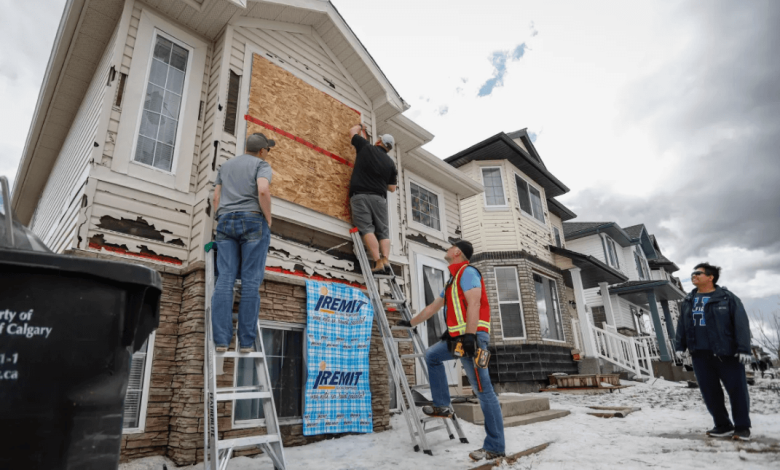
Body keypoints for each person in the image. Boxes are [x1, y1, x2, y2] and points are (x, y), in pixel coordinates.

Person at [399, 238, 505, 461]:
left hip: (472, 340)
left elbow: (475, 304)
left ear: (457, 252)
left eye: (450, 246)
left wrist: (470, 336)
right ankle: (442, 405)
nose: (447, 249)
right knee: (432, 355)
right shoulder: (452, 280)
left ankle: (495, 446)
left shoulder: (468, 272)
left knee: (484, 392)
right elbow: (432, 308)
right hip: (457, 340)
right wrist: (410, 323)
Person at [211, 133, 275, 353]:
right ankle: (246, 343)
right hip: (252, 220)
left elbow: (216, 199)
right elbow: (263, 190)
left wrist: (222, 217)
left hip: (225, 221)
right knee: (250, 281)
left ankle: (221, 340)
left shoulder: (226, 166)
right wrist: (267, 218)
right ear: (263, 151)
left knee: (225, 279)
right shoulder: (261, 165)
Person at [675, 262, 753, 441]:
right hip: (700, 355)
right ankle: (723, 425)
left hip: (727, 354)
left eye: (698, 273)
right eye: (693, 273)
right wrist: (680, 346)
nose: (694, 275)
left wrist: (743, 348)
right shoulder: (688, 300)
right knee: (710, 393)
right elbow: (682, 325)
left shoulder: (727, 298)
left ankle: (742, 428)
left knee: (737, 391)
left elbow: (741, 324)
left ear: (711, 277)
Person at [347, 123, 397, 273]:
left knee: (367, 229)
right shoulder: (390, 164)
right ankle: (386, 260)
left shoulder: (366, 147)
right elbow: (392, 188)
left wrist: (360, 126)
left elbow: (352, 131)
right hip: (379, 199)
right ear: (389, 149)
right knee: (383, 231)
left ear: (378, 141)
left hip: (360, 196)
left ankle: (377, 262)